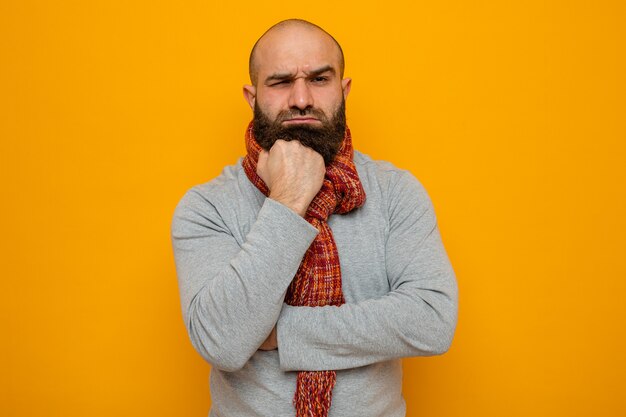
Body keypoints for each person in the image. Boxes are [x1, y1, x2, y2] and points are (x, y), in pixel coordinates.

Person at [171, 18, 458, 417]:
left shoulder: (395, 192)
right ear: (252, 98)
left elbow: (431, 320)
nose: (301, 98)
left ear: (344, 90)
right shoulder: (207, 207)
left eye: (320, 79)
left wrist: (279, 334)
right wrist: (288, 200)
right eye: (281, 81)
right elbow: (222, 341)